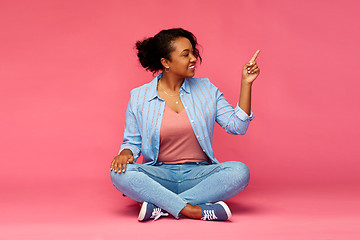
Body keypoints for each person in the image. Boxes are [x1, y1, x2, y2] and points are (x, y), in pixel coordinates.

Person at [110, 28, 260, 222]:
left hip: (199, 176)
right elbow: (132, 142)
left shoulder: (207, 89)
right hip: (159, 175)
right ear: (165, 62)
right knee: (119, 173)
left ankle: (162, 207)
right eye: (185, 54)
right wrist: (125, 154)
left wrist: (246, 84)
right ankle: (194, 210)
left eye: (193, 53)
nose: (193, 59)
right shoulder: (139, 96)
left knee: (240, 172)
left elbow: (237, 126)